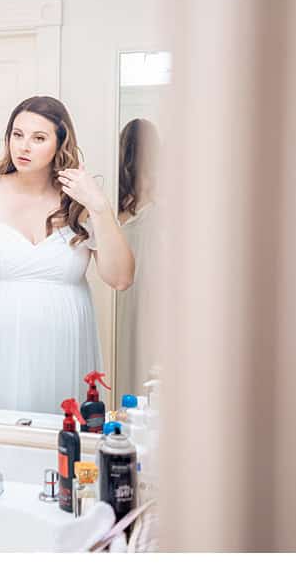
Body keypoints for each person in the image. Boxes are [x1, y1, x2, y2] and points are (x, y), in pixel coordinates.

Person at [0, 95, 134, 414]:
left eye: (38, 138)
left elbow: (121, 278)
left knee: (59, 444)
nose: (23, 147)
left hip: (62, 351)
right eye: (17, 135)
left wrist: (98, 206)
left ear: (60, 144)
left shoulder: (80, 202)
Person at [115, 118, 161, 397]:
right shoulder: (117, 199)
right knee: (128, 349)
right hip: (127, 285)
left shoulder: (164, 196)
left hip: (150, 284)